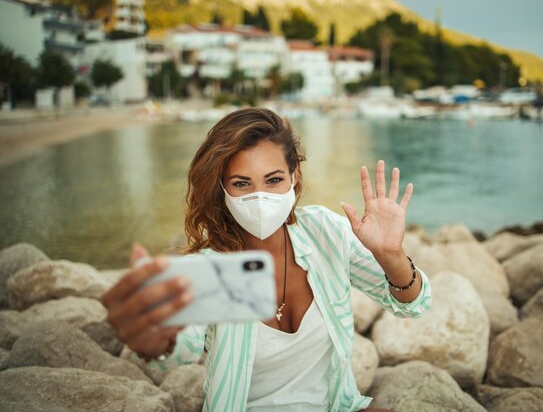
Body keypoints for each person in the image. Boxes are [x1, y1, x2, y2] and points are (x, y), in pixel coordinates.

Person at [103, 108, 432, 412]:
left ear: (295, 175)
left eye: (273, 179)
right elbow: (178, 348)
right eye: (241, 183)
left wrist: (391, 255)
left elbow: (411, 304)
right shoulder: (213, 268)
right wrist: (157, 335)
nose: (259, 197)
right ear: (222, 189)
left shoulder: (325, 231)